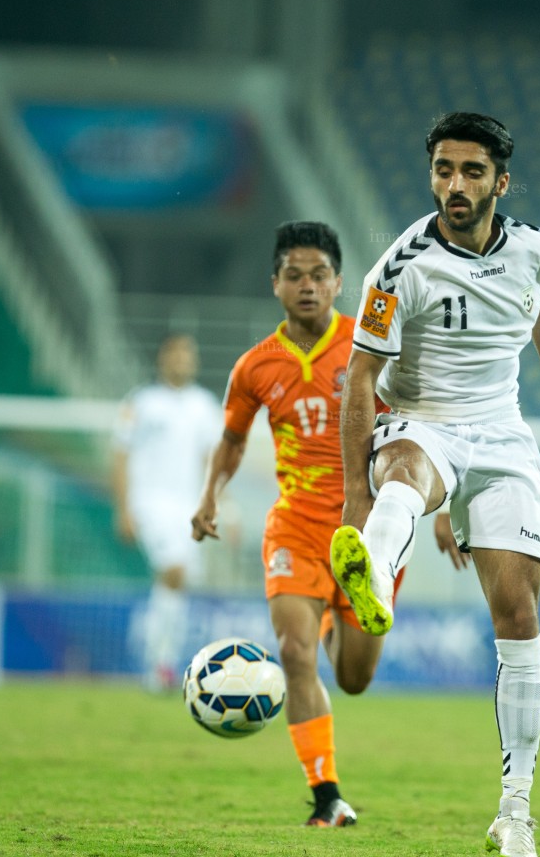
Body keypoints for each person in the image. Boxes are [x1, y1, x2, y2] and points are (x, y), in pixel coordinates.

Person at [329, 112, 540, 857]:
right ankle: (371, 563)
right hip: (422, 419)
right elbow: (360, 378)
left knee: (517, 611)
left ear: (501, 181)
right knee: (406, 471)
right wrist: (354, 494)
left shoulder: (538, 251)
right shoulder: (398, 267)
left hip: (502, 433)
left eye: (472, 172)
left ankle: (515, 811)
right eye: (443, 169)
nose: (455, 185)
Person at [190, 221, 468, 828]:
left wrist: (447, 506)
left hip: (370, 531)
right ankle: (326, 797)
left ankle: (335, 617)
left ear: (339, 282)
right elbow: (233, 440)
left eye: (319, 275)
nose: (308, 286)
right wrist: (211, 495)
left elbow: (430, 434)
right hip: (295, 527)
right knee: (293, 653)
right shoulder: (255, 366)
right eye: (295, 275)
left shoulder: (371, 351)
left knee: (356, 678)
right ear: (276, 285)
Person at [111, 334, 222, 692]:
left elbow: (212, 461)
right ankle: (160, 665)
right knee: (173, 570)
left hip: (188, 507)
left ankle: (161, 662)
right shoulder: (141, 402)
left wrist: (221, 505)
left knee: (177, 581)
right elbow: (120, 455)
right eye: (175, 353)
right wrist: (123, 508)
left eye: (188, 355)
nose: (181, 360)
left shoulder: (205, 406)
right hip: (150, 503)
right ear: (162, 358)